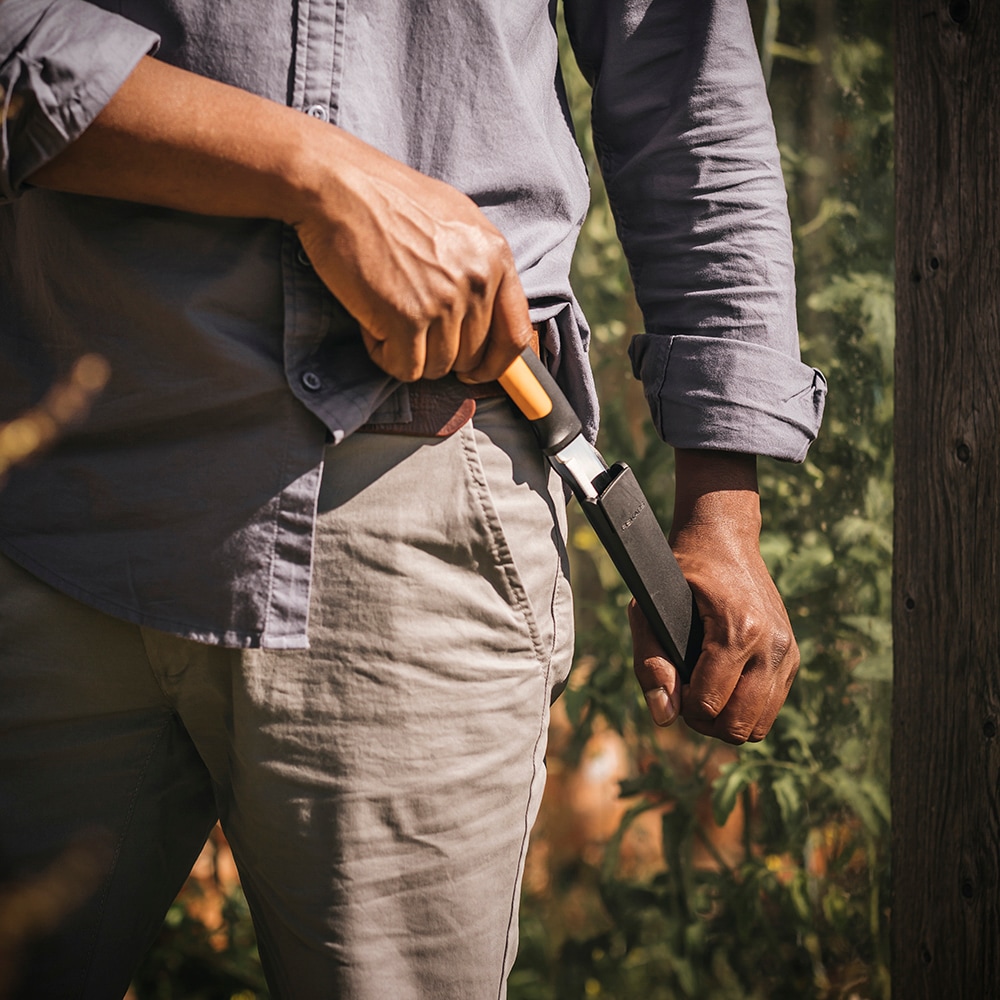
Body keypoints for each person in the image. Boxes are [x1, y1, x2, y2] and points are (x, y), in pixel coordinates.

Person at [0, 0, 826, 996]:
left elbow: (685, 81)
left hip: (419, 515)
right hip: (48, 497)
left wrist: (722, 502)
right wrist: (317, 173)